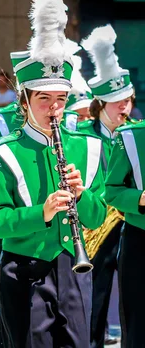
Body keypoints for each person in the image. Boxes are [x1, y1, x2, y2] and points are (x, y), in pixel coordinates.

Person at [0, 0, 106, 347]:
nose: (54, 108)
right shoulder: (3, 152)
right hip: (23, 270)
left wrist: (81, 196)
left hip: (74, 267)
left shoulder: (88, 147)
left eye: (61, 99)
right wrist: (43, 212)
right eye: (44, 99)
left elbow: (97, 218)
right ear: (25, 99)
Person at [79, 24, 136, 348]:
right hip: (95, 229)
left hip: (130, 229)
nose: (124, 108)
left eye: (127, 101)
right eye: (117, 103)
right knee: (95, 300)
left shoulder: (133, 134)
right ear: (100, 103)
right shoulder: (85, 137)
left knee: (131, 302)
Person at [104, 120, 145, 348]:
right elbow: (112, 191)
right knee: (137, 325)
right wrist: (140, 198)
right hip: (140, 238)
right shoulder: (130, 136)